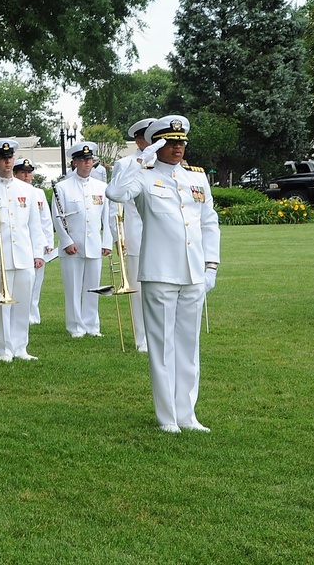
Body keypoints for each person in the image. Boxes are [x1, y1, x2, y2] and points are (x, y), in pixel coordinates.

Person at [106, 115, 220, 433]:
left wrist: (211, 265)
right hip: (160, 273)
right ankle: (167, 416)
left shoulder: (197, 179)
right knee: (162, 347)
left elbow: (209, 223)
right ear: (158, 145)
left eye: (181, 142)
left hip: (194, 272)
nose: (178, 148)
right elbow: (115, 194)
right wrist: (140, 161)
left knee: (188, 346)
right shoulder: (143, 177)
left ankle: (187, 414)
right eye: (170, 143)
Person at [0, 139, 47, 362]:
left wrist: (38, 253)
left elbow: (35, 225)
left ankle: (21, 346)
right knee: (1, 305)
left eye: (10, 157)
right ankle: (4, 347)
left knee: (22, 303)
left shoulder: (28, 190)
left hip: (23, 255)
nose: (7, 161)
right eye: (3, 158)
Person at [52, 141, 112, 338]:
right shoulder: (62, 187)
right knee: (73, 288)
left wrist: (106, 242)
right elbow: (58, 217)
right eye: (83, 160)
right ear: (75, 162)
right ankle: (75, 326)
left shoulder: (102, 187)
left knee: (93, 288)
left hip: (94, 243)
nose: (87, 163)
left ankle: (92, 325)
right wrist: (66, 241)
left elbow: (107, 217)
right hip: (73, 246)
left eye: (90, 160)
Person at [111, 118, 158, 352]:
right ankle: (142, 338)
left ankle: (161, 334)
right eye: (148, 137)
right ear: (139, 140)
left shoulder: (165, 163)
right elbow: (115, 205)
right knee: (139, 291)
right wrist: (118, 236)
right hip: (136, 234)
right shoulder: (125, 164)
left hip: (163, 236)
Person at [13, 158, 56, 325]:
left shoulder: (38, 193)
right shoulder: (14, 192)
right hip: (22, 243)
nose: (26, 175)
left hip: (38, 243)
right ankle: (21, 313)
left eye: (29, 172)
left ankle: (33, 314)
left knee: (37, 282)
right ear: (15, 173)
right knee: (23, 281)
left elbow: (46, 219)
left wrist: (49, 243)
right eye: (22, 172)